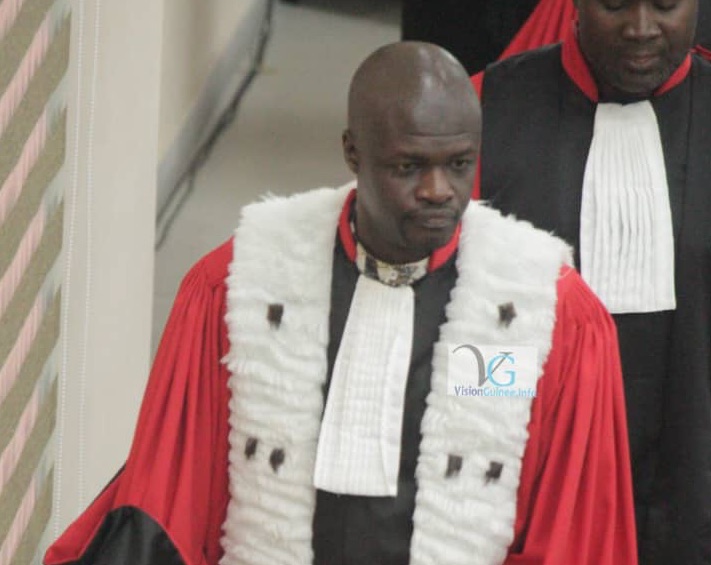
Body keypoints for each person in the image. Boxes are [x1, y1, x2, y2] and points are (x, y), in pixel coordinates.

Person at [45, 42, 637, 565]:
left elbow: (575, 533)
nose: (439, 191)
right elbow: (172, 502)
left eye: (459, 164)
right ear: (353, 153)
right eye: (408, 166)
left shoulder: (546, 314)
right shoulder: (239, 286)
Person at [474, 1, 711, 563]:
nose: (641, 28)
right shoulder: (486, 110)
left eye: (666, 4)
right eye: (614, 4)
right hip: (537, 491)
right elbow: (464, 323)